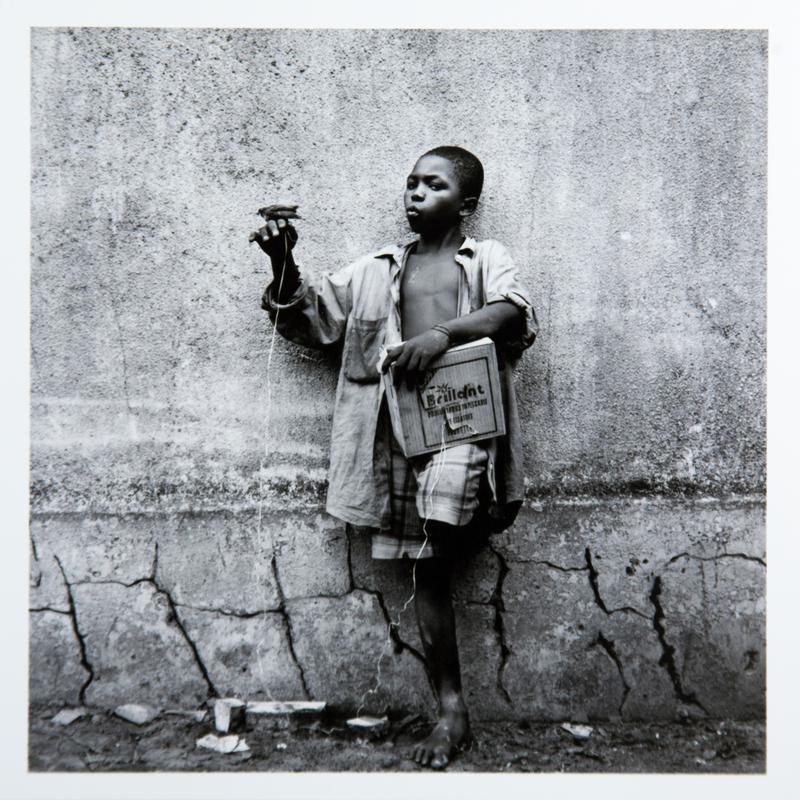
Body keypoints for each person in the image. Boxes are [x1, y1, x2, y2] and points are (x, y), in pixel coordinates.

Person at [254, 145, 538, 768]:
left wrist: (440, 336)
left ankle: (452, 709)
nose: (414, 193)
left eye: (431, 185)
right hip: (395, 433)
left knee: (439, 535)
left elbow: (513, 314)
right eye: (410, 183)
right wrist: (284, 260)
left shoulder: (486, 260)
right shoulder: (376, 268)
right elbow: (309, 321)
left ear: (465, 205)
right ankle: (452, 711)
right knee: (427, 565)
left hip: (464, 425)